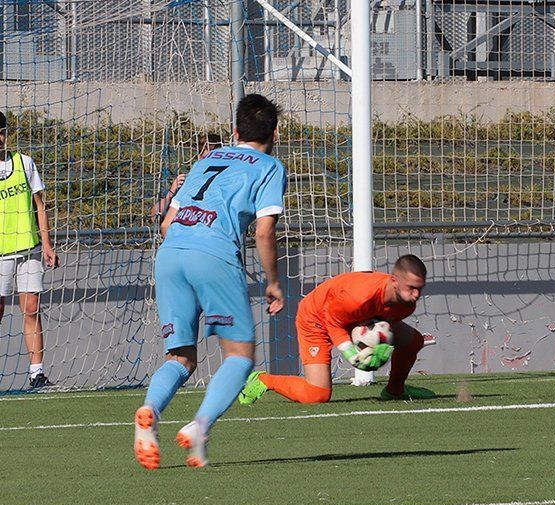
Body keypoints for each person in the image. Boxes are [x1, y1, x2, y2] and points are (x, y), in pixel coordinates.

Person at [133, 95, 286, 469]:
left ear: (234, 131)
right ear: (275, 133)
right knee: (240, 355)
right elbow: (265, 231)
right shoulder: (269, 166)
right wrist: (273, 282)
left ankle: (149, 412)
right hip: (214, 254)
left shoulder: (206, 161)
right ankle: (200, 426)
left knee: (181, 358)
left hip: (171, 253)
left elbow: (167, 224)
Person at [238, 255, 435, 406]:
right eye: (411, 287)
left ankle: (394, 391)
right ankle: (263, 379)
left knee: (413, 342)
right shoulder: (359, 297)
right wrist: (353, 355)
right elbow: (333, 321)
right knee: (317, 395)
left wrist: (381, 347)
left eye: (420, 288)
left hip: (352, 317)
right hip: (317, 317)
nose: (417, 294)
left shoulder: (407, 303)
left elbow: (380, 323)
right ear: (394, 281)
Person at [0, 111, 60, 389]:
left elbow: (40, 205)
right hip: (1, 253)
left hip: (28, 248)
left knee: (32, 308)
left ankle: (37, 373)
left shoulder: (24, 163)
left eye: (1, 132)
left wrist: (46, 244)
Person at [150, 133, 223, 222]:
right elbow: (154, 216)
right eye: (204, 158)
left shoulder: (224, 182)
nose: (206, 163)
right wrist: (171, 192)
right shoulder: (188, 181)